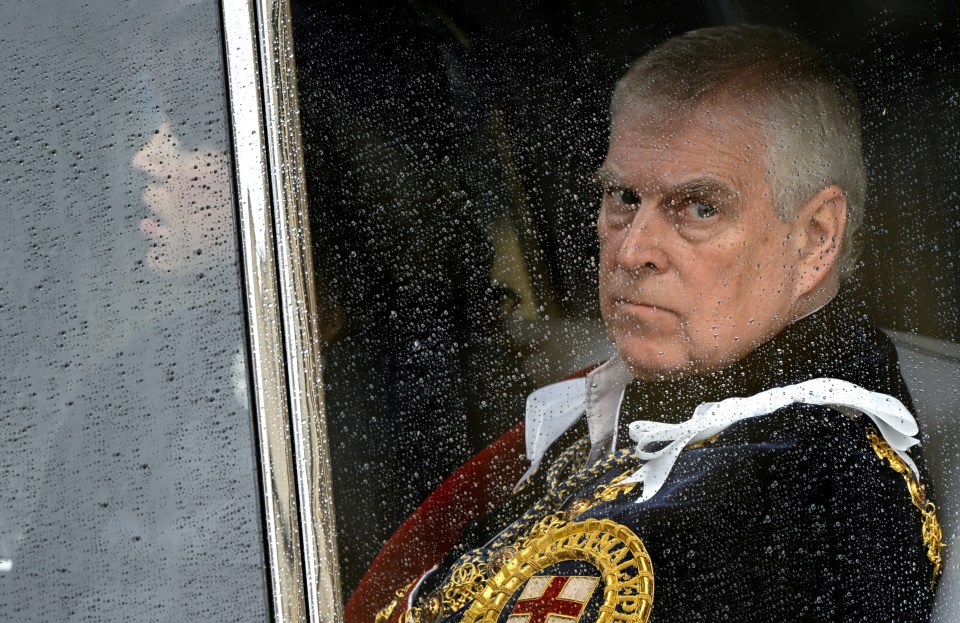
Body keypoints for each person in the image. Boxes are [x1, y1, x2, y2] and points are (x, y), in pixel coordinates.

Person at [364, 25, 943, 623]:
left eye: (699, 208)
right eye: (622, 197)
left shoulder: (810, 501)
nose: (632, 250)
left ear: (816, 237)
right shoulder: (655, 404)